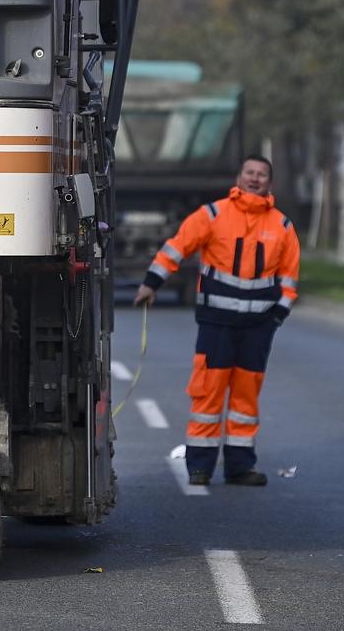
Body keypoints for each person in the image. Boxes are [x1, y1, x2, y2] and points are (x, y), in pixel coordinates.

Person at [135, 154, 300, 486]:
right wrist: (152, 284)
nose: (255, 179)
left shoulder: (281, 226)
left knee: (245, 400)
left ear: (270, 183)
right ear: (239, 177)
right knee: (208, 396)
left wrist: (275, 318)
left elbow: (289, 279)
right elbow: (176, 248)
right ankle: (199, 467)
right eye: (250, 173)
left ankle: (240, 467)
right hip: (217, 325)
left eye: (262, 175)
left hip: (257, 329)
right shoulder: (213, 215)